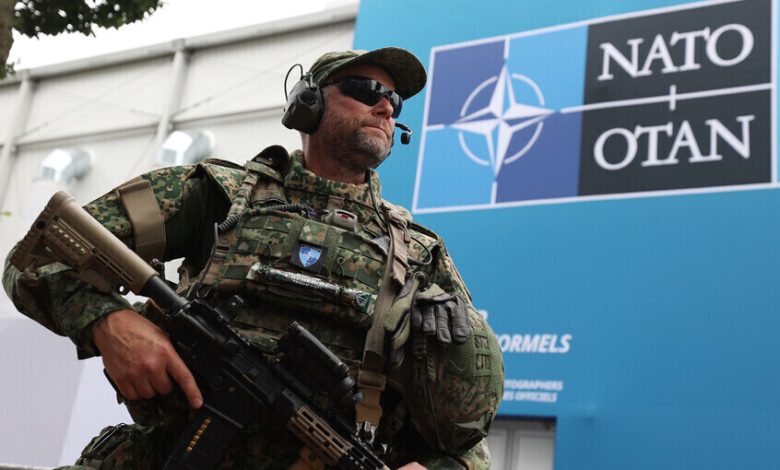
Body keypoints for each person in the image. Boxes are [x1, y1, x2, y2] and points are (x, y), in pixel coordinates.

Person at [3, 46, 504, 469]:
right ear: (308, 102)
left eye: (393, 100)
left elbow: (464, 426)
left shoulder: (417, 255)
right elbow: (39, 255)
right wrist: (108, 323)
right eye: (365, 90)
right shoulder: (214, 196)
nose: (385, 107)